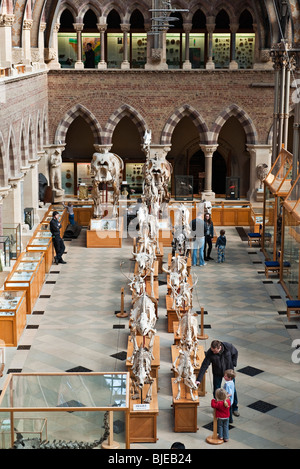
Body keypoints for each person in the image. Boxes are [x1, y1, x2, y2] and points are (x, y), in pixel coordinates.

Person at [195, 340, 239, 417]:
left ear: (220, 348)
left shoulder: (228, 346)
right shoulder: (210, 352)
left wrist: (233, 364)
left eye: (215, 351)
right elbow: (204, 365)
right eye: (212, 350)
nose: (213, 352)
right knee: (216, 390)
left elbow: (235, 352)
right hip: (217, 373)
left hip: (229, 373)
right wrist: (198, 380)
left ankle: (234, 408)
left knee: (232, 390)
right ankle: (218, 407)